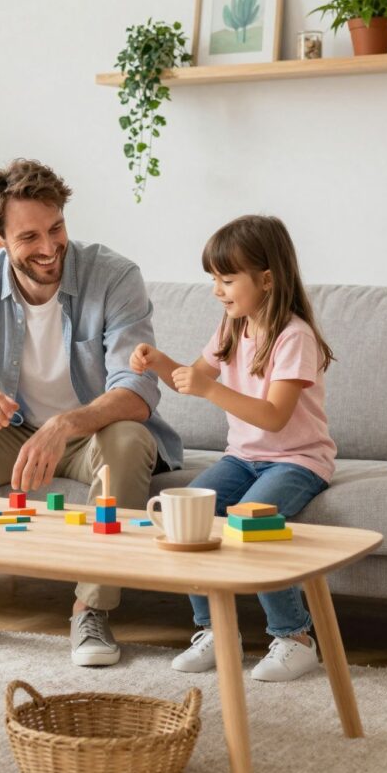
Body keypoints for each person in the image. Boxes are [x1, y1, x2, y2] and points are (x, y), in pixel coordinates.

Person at [0, 158, 183, 667]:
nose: (48, 248)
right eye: (28, 238)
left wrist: (65, 424)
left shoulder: (114, 277)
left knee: (131, 438)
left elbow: (137, 393)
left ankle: (90, 610)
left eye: (56, 228)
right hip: (14, 436)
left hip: (95, 437)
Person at [131, 215, 337, 682]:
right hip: (242, 458)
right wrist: (157, 361)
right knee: (189, 515)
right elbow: (195, 377)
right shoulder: (232, 326)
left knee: (248, 519)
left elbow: (274, 416)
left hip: (298, 459)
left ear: (266, 280)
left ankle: (295, 637)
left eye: (227, 279)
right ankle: (213, 630)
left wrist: (208, 390)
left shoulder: (293, 336)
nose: (217, 291)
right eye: (213, 280)